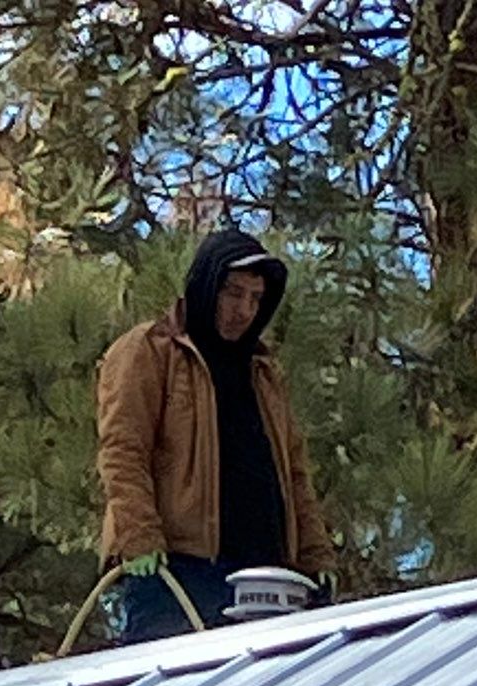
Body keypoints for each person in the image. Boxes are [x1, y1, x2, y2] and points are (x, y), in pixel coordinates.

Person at [95, 227, 336, 643]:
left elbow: (295, 475)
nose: (244, 309)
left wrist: (315, 555)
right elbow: (123, 450)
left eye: (256, 299)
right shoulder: (149, 351)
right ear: (206, 285)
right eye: (233, 292)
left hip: (265, 579)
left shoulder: (263, 374)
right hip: (177, 571)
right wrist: (138, 536)